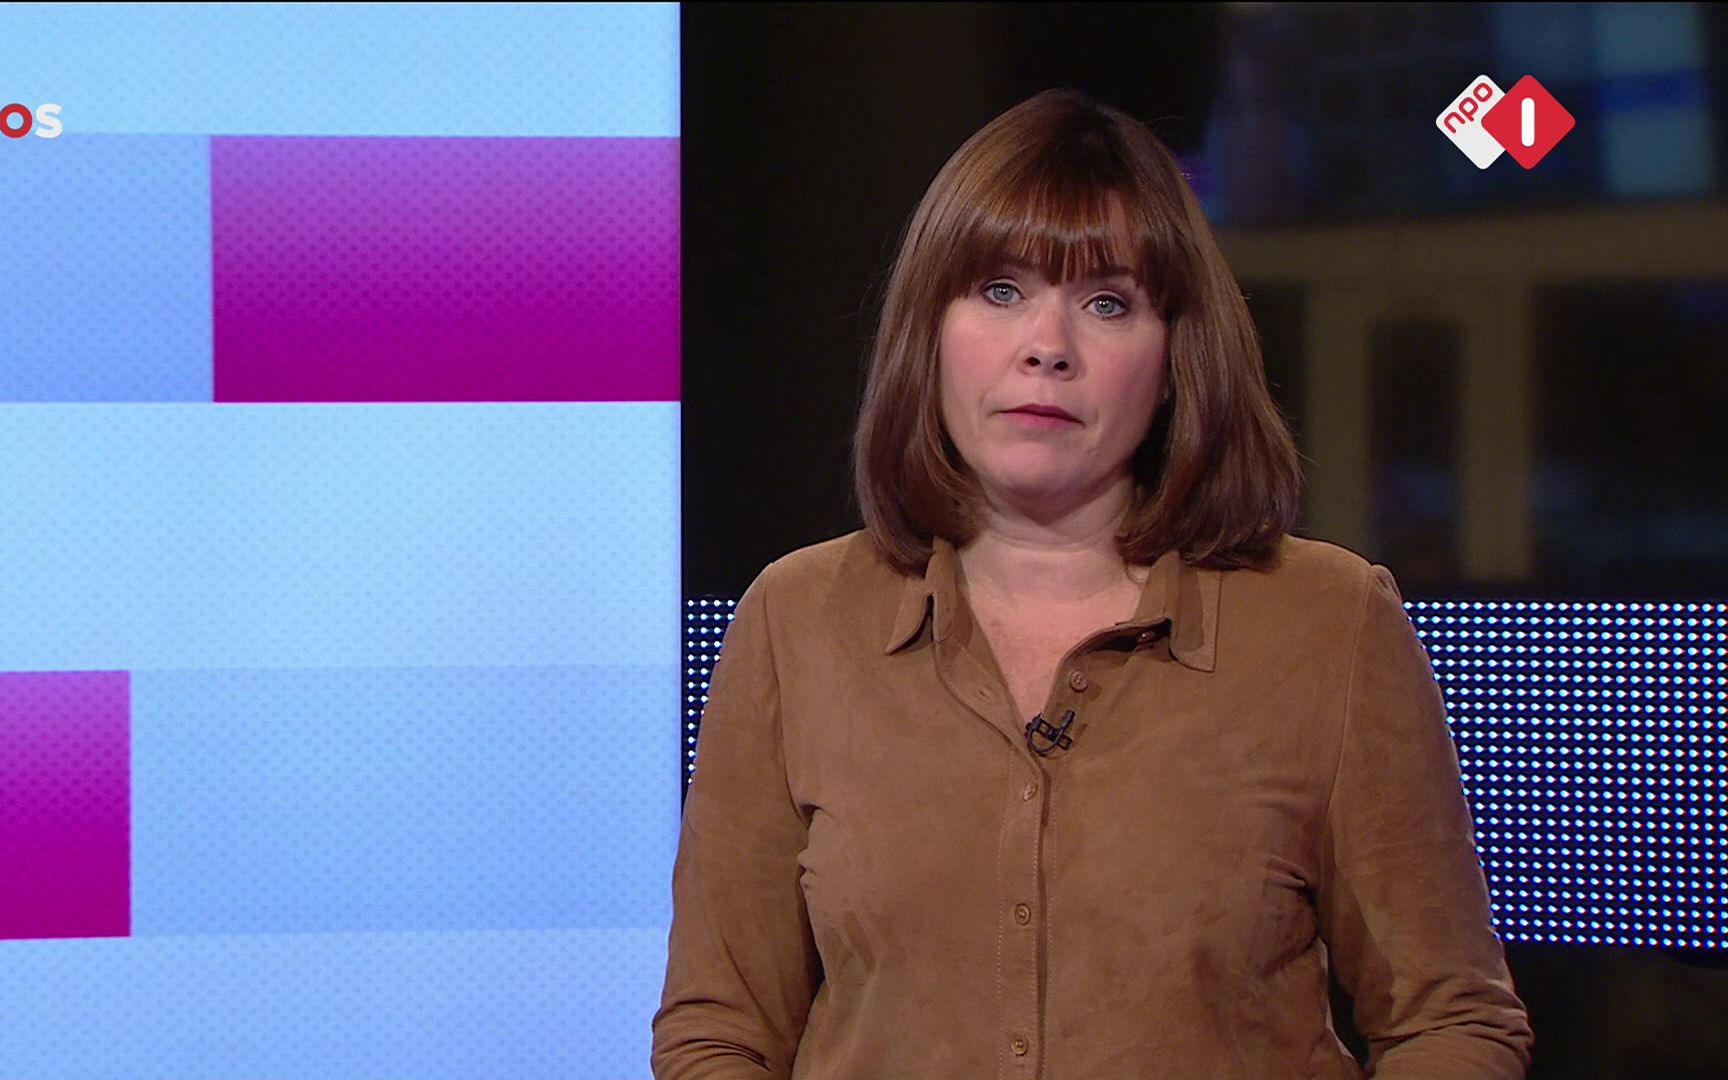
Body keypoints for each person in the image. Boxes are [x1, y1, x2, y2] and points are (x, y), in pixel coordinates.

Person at [652, 88, 1533, 1079]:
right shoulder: (795, 620)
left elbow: (1451, 1022)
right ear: (928, 330)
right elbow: (718, 1031)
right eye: (999, 290)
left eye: (1107, 303)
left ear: (1175, 358)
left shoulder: (1328, 622)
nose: (1048, 346)